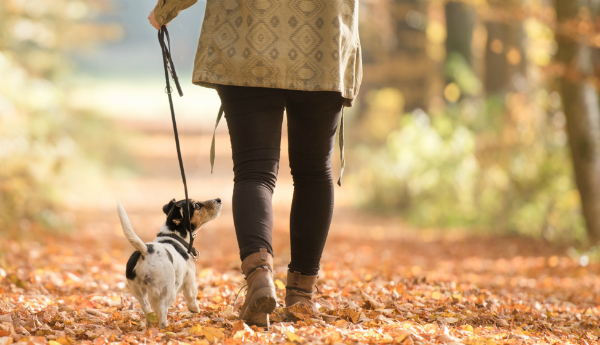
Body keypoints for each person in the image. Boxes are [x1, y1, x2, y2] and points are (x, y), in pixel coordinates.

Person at [148, 0, 362, 328]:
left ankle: (259, 277)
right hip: (324, 40)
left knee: (254, 172)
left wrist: (166, 9)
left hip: (247, 40)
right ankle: (301, 296)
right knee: (314, 172)